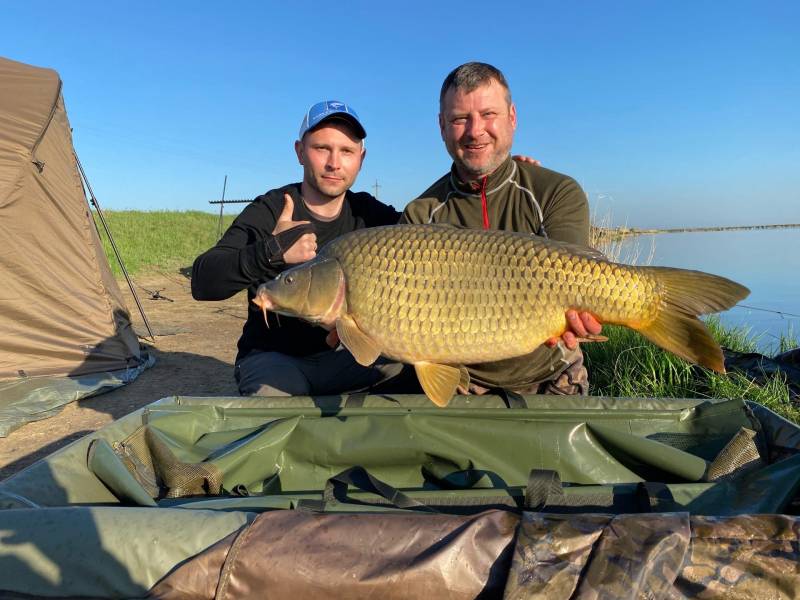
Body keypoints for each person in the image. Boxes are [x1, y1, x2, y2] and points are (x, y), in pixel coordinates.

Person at [400, 62, 602, 396]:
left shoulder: (556, 191)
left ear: (512, 117)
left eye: (488, 114)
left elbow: (576, 285)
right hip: (463, 382)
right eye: (460, 118)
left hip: (552, 372)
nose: (475, 130)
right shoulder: (421, 215)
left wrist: (580, 314)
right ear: (441, 126)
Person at [192, 100, 403, 397]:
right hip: (277, 360)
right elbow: (203, 282)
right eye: (321, 149)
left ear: (361, 158)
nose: (334, 163)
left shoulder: (373, 216)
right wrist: (269, 251)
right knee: (273, 403)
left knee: (416, 370)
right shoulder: (272, 209)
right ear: (300, 152)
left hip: (349, 359)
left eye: (346, 151)